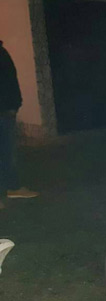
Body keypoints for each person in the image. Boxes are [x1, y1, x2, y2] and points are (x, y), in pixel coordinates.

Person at [0, 40, 39, 210]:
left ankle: (13, 187)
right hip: (3, 110)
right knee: (5, 152)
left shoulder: (1, 52)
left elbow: (9, 81)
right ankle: (11, 187)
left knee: (7, 152)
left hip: (6, 110)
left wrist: (14, 104)